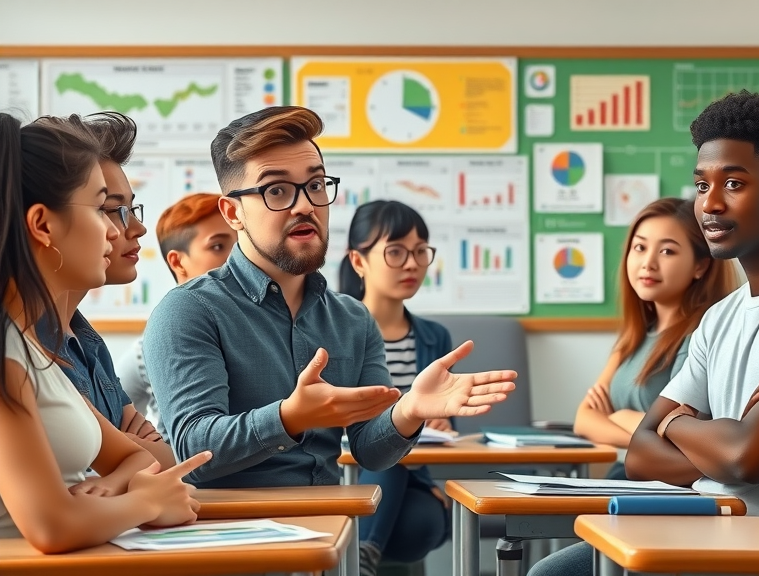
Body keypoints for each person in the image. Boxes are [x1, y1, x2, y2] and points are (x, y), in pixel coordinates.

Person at [529, 91, 759, 576]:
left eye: (733, 183)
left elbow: (746, 459)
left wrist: (674, 425)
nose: (707, 204)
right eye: (700, 184)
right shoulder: (720, 316)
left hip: (758, 536)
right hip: (698, 518)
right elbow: (643, 454)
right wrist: (713, 441)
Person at [143, 106, 516, 490]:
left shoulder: (352, 318)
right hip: (231, 534)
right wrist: (289, 417)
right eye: (276, 190)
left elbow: (370, 451)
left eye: (316, 185)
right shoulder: (188, 310)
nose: (305, 204)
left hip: (330, 527)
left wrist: (409, 409)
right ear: (233, 212)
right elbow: (193, 452)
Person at [0, 112, 208, 551]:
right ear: (42, 226)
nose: (117, 231)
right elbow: (53, 524)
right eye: (102, 210)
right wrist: (146, 502)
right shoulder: (9, 351)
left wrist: (122, 487)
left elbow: (140, 456)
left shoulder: (35, 349)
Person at [32, 112, 175, 470]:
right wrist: (125, 451)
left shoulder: (86, 339)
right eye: (109, 210)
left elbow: (162, 461)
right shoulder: (24, 343)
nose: (135, 228)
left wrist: (124, 457)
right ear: (43, 223)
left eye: (131, 209)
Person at [572, 197, 735, 479]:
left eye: (667, 252)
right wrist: (645, 432)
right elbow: (583, 420)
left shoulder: (699, 337)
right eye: (640, 247)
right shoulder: (633, 336)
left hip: (667, 485)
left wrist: (616, 417)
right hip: (624, 473)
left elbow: (685, 435)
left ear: (700, 266)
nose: (648, 263)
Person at [338, 200, 454, 575]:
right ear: (358, 261)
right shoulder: (332, 331)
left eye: (421, 251)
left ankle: (362, 558)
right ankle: (364, 558)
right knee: (383, 444)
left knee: (421, 522)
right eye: (396, 251)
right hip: (346, 472)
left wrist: (444, 427)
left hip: (415, 476)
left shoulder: (435, 337)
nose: (412, 263)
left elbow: (448, 424)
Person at [118, 192, 237, 431]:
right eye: (217, 246)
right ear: (178, 262)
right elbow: (108, 430)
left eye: (241, 245)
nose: (236, 258)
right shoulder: (155, 343)